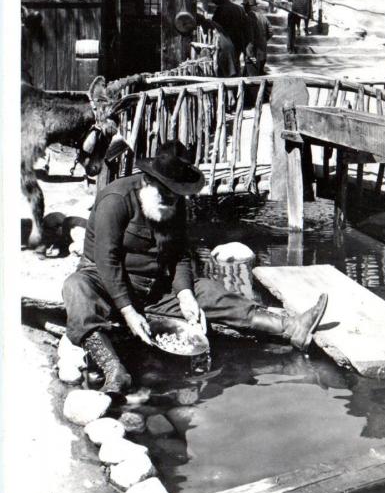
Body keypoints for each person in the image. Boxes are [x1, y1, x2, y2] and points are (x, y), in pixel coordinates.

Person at [62, 142, 328, 395]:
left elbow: (179, 255)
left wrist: (185, 295)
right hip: (105, 284)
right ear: (148, 180)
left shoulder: (174, 205)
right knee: (76, 287)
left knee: (210, 292)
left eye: (175, 196)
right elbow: (107, 261)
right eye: (164, 194)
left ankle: (290, 327)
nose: (170, 201)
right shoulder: (116, 199)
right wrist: (128, 311)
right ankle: (114, 370)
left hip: (154, 287)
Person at [209, 0, 250, 74]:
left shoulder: (220, 10)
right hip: (239, 39)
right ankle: (237, 80)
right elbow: (246, 26)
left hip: (227, 40)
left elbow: (215, 26)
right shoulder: (240, 8)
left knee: (227, 65)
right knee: (236, 62)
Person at [242, 0, 273, 75]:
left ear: (249, 7)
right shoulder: (263, 17)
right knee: (259, 74)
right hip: (262, 52)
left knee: (253, 80)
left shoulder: (248, 18)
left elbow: (249, 38)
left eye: (245, 6)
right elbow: (270, 31)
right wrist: (263, 40)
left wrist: (250, 54)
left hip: (253, 54)